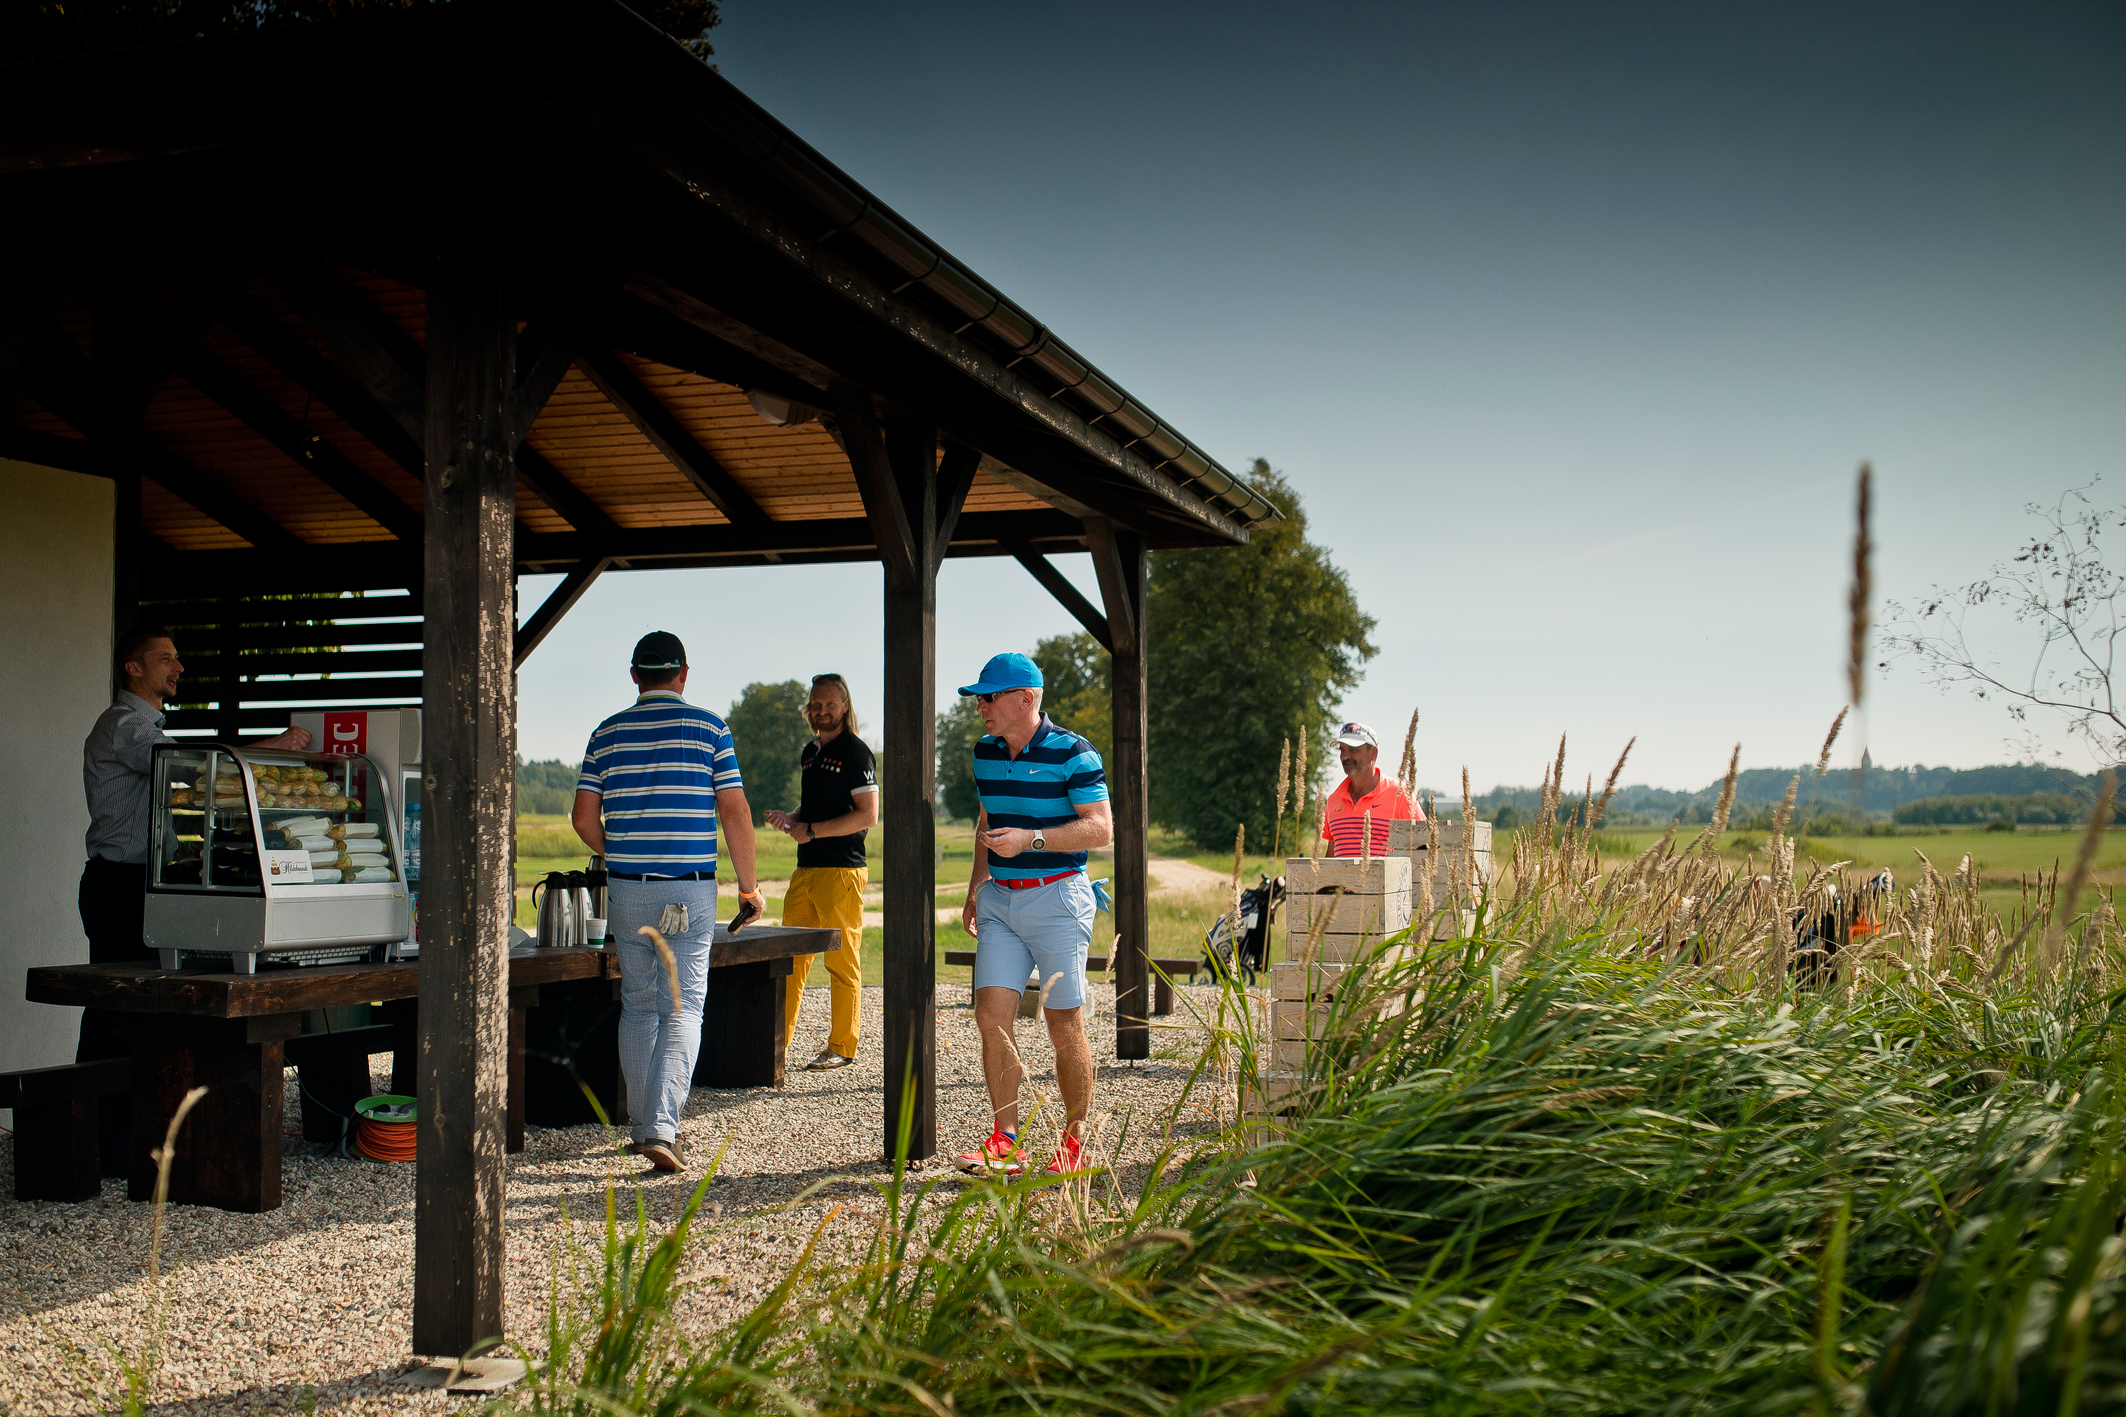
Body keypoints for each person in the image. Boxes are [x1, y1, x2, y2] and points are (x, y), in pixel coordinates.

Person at [81, 625, 311, 1173]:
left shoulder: (147, 727)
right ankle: (104, 1141)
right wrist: (270, 748)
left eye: (177, 658)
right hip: (119, 883)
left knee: (147, 1007)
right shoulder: (122, 725)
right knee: (118, 1005)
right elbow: (184, 765)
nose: (178, 667)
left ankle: (138, 1136)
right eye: (165, 658)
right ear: (133, 668)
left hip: (145, 882)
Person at [571, 631, 763, 1174]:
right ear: (683, 674)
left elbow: (583, 818)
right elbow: (734, 810)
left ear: (635, 675)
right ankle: (661, 1128)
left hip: (628, 889)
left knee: (638, 1004)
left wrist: (619, 853)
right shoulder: (709, 728)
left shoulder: (606, 732)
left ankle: (643, 1127)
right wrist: (749, 887)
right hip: (688, 888)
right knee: (682, 1007)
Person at [953, 652, 1112, 1178]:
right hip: (1000, 900)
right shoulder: (984, 752)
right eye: (978, 698)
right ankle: (1006, 1142)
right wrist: (976, 887)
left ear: (1025, 699)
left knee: (1062, 1022)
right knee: (991, 1017)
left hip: (1057, 898)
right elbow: (987, 818)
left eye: (989, 697)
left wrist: (1032, 839)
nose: (981, 707)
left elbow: (1100, 828)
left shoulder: (1075, 753)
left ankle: (1075, 1143)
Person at [764, 674, 877, 1070]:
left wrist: (810, 830)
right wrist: (792, 818)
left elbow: (868, 815)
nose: (822, 710)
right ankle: (776, 1046)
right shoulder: (810, 752)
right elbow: (812, 809)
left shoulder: (857, 753)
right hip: (806, 871)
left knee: (841, 961)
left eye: (830, 704)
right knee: (790, 961)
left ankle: (843, 1046)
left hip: (842, 871)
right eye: (816, 704)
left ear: (844, 706)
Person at [1320, 721, 1421, 858]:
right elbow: (1331, 855)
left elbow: (1423, 846)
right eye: (1342, 750)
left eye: (1353, 750)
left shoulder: (1400, 794)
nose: (1345, 756)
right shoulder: (1334, 799)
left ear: (1373, 753)